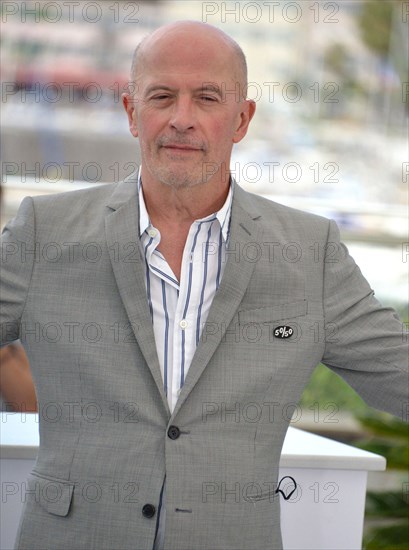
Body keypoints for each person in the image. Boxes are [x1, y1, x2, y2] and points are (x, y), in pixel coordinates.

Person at [0, 20, 407, 550]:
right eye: (162, 96)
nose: (182, 119)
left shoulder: (311, 252)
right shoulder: (44, 232)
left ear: (241, 120)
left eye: (208, 98)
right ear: (131, 112)